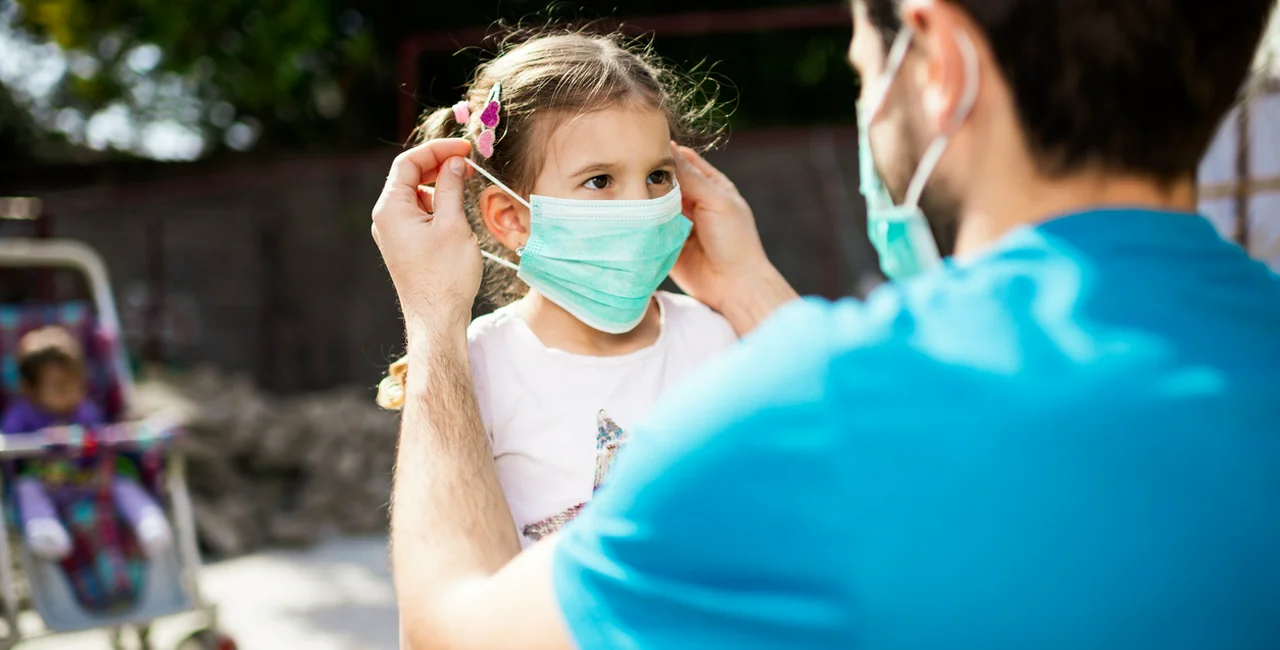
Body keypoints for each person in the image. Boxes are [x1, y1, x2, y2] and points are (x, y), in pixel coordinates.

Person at [370, 0, 1280, 648]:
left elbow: (454, 633)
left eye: (860, 69)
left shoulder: (805, 412)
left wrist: (432, 316)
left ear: (939, 64)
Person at [375, 32, 737, 547]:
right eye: (600, 180)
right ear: (511, 219)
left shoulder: (714, 339)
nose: (641, 204)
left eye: (658, 175)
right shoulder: (473, 370)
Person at [2, 326, 172, 561]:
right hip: (47, 483)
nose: (71, 393)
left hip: (85, 482)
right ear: (31, 389)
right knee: (26, 489)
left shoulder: (85, 411)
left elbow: (100, 438)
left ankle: (148, 521)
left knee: (120, 480)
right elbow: (8, 445)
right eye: (60, 386)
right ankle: (44, 531)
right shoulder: (21, 415)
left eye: (76, 384)